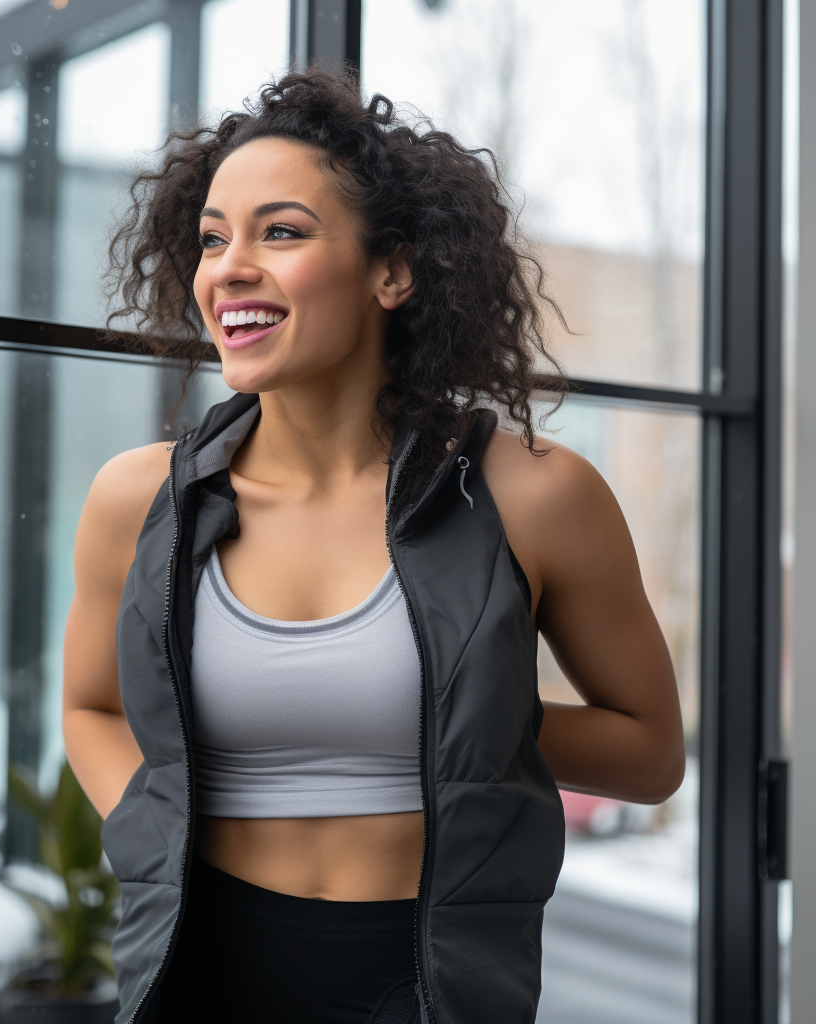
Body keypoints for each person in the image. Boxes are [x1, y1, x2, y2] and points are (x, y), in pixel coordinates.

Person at [62, 70, 685, 1024]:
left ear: (393, 271)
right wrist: (151, 834)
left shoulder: (536, 493)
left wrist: (466, 715)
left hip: (427, 980)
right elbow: (91, 706)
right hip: (197, 969)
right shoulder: (140, 497)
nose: (228, 267)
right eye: (212, 237)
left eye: (281, 231)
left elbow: (650, 756)